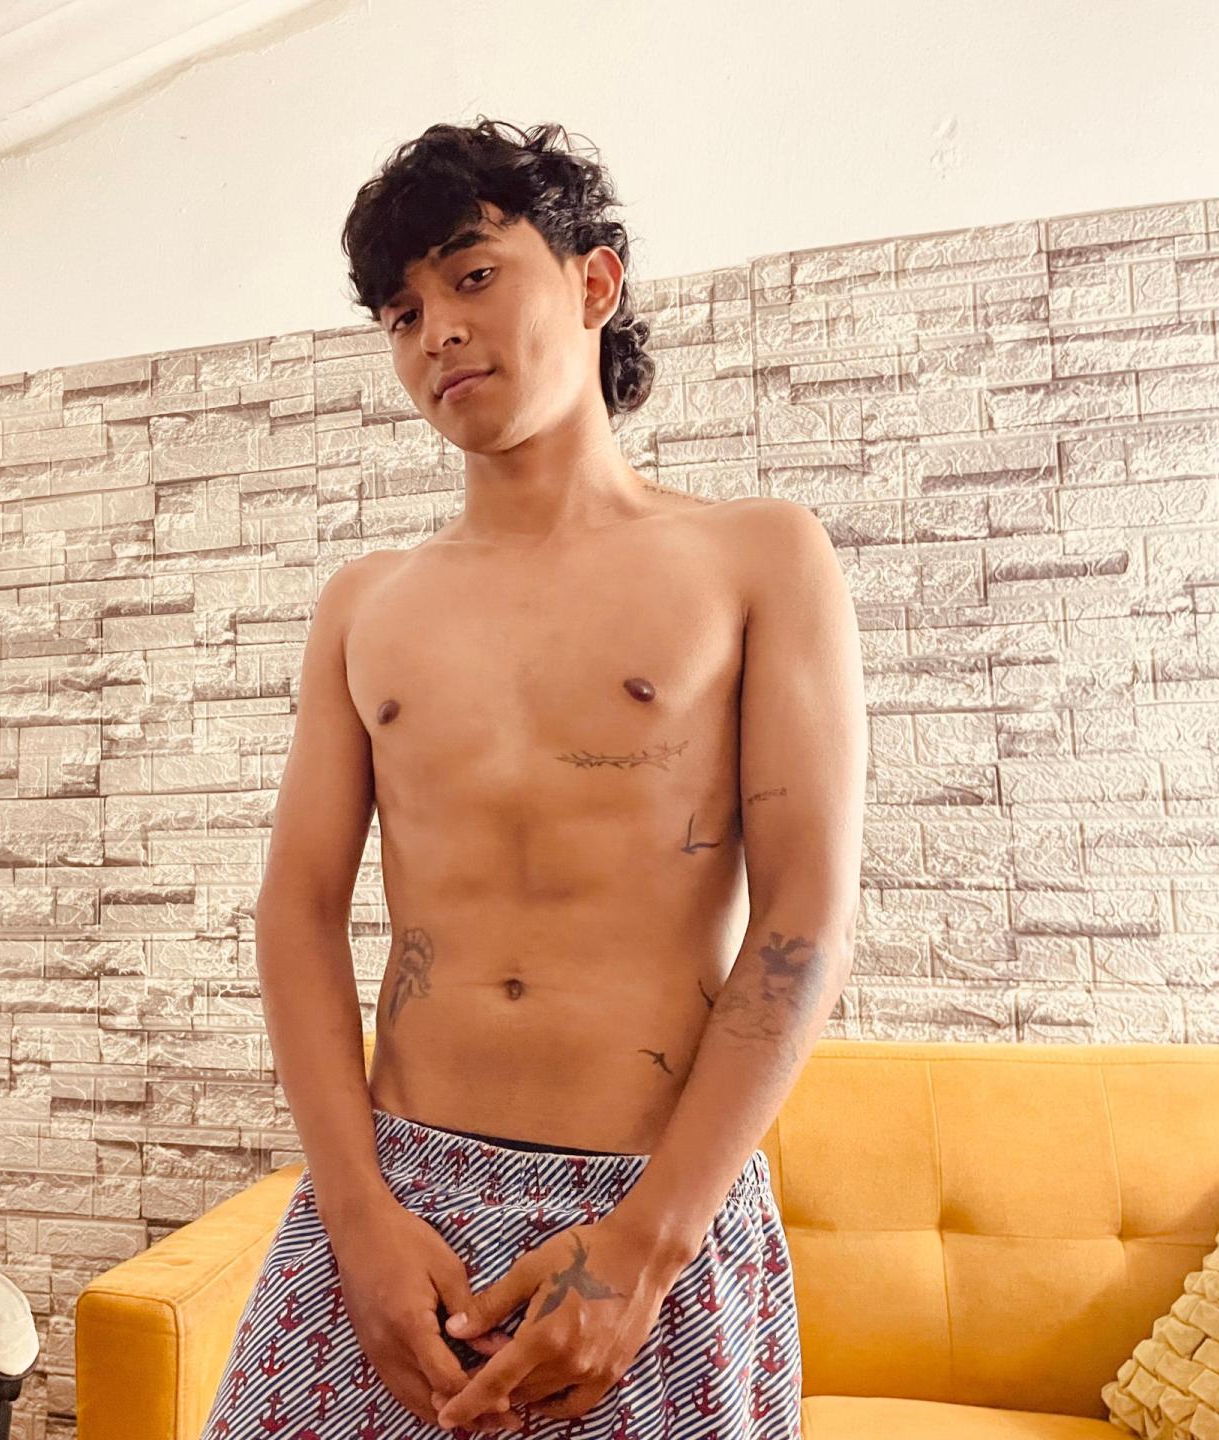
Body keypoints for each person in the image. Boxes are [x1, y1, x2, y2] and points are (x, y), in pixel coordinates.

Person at [198, 117, 865, 1438]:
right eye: (401, 314)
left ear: (595, 282)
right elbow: (297, 910)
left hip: (645, 1208)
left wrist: (648, 1245)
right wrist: (356, 1217)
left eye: (472, 275)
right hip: (394, 1204)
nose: (435, 331)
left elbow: (805, 915)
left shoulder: (757, 558)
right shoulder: (364, 605)